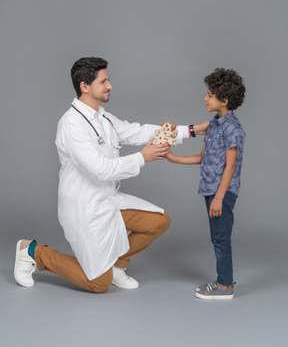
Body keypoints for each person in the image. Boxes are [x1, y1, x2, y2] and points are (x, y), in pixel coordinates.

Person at [14, 57, 209, 293]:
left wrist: (190, 130)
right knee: (98, 284)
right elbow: (100, 169)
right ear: (85, 86)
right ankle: (32, 251)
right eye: (104, 81)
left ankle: (117, 264)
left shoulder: (103, 117)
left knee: (159, 221)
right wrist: (143, 157)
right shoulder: (71, 125)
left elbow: (137, 131)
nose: (110, 86)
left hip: (108, 201)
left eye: (109, 80)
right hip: (84, 209)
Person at [166, 68, 245, 300]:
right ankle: (224, 281)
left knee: (221, 238)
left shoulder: (233, 129)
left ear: (224, 100)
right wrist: (174, 158)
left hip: (222, 192)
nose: (205, 98)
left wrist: (220, 197)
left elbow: (230, 166)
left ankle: (224, 287)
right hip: (210, 190)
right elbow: (204, 158)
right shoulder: (213, 125)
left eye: (209, 94)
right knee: (217, 237)